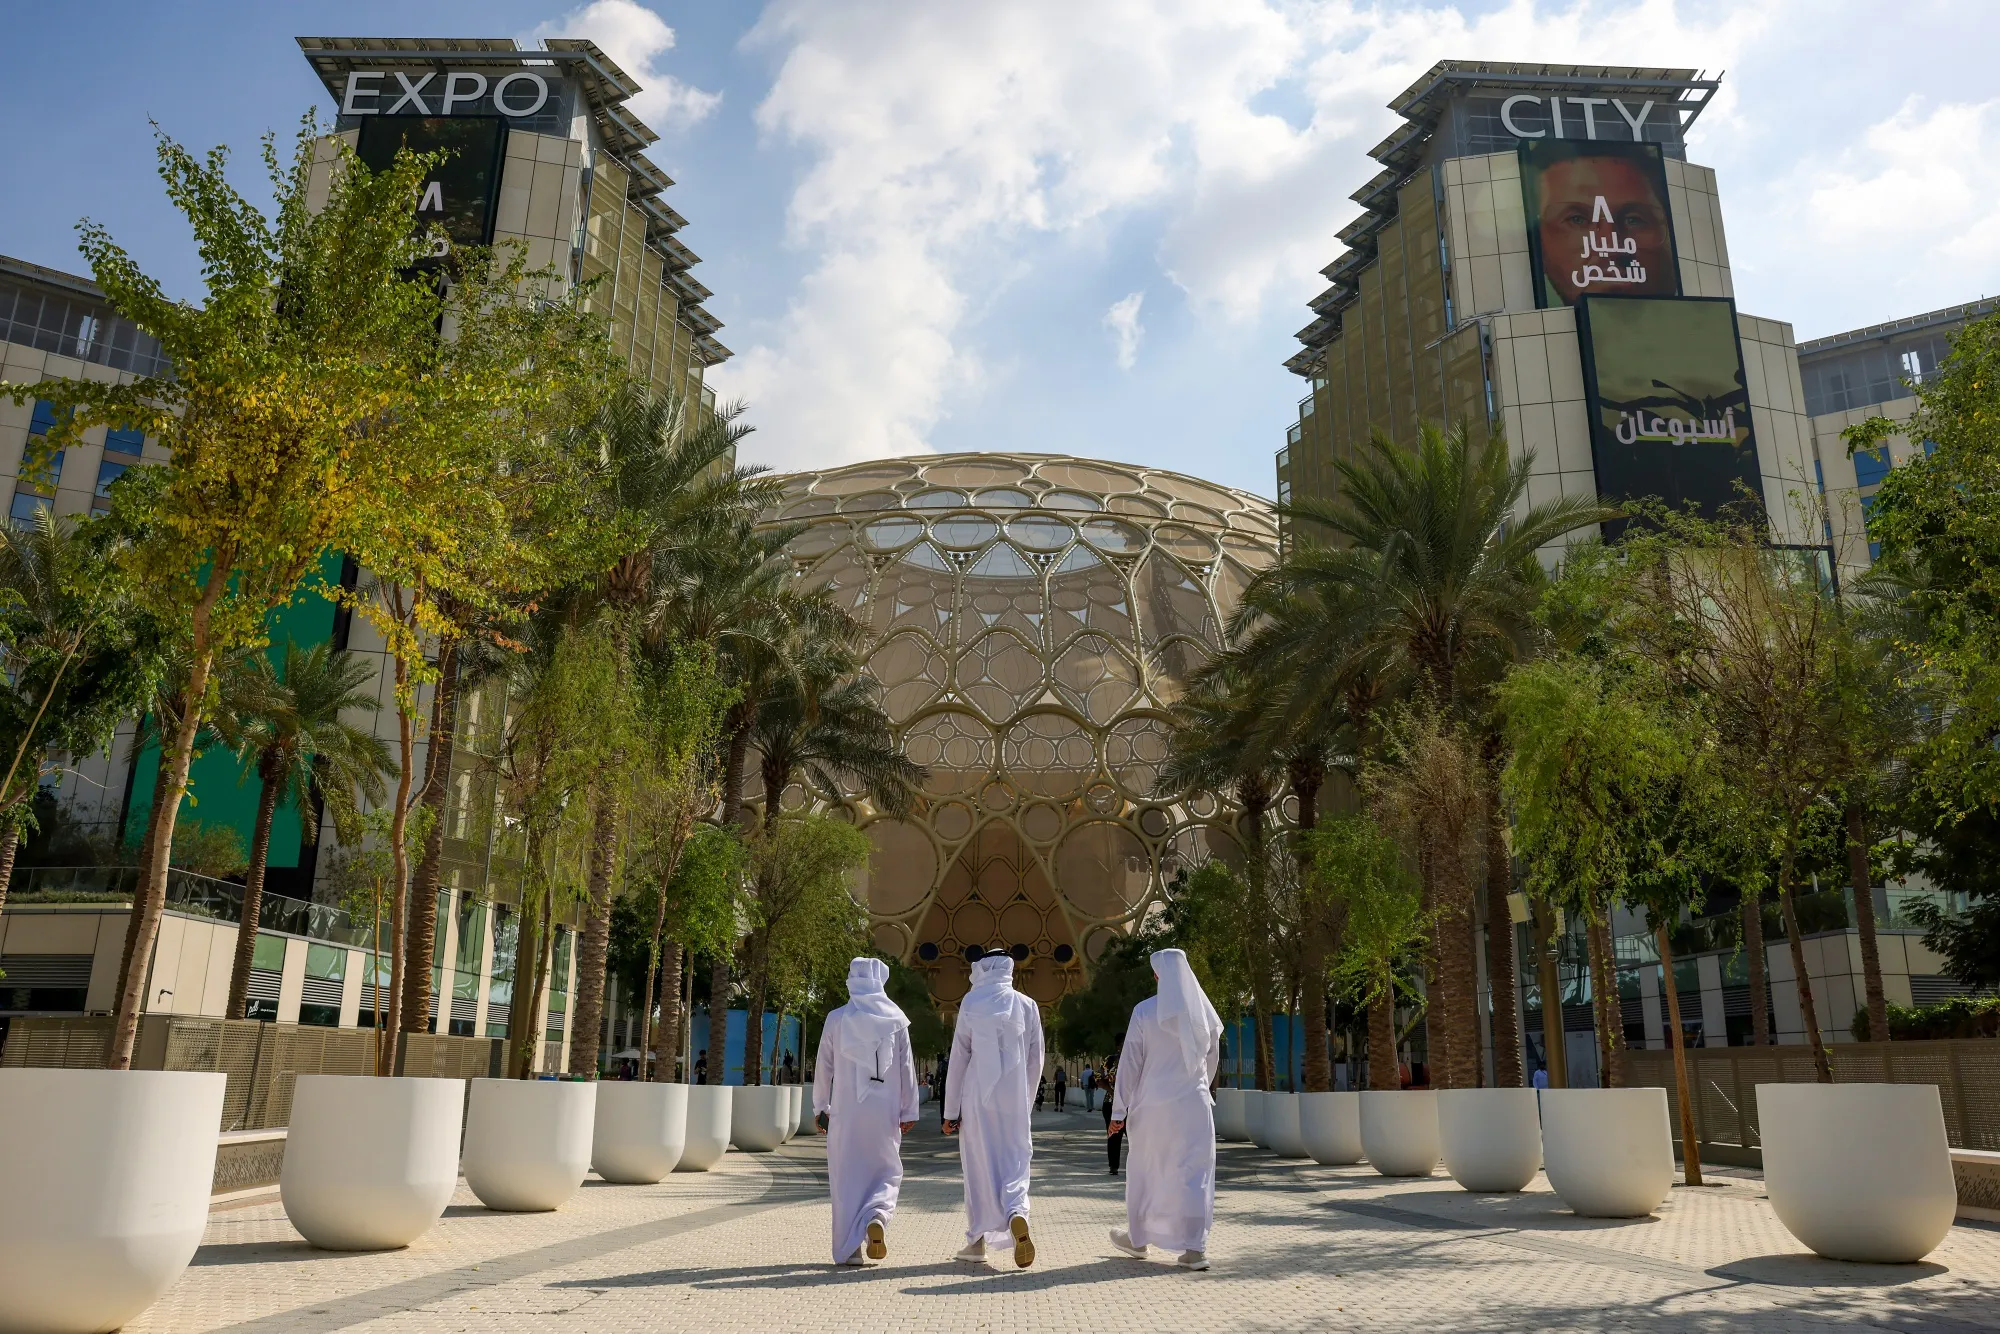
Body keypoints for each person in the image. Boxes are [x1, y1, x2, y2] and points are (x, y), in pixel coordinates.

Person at [1107, 948, 1222, 1271]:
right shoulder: (1204, 1013)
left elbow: (1129, 1064)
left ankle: (1139, 1238)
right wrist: (1196, 1087)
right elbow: (1211, 1060)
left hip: (1152, 1108)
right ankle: (1194, 1249)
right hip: (1195, 1106)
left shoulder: (1144, 1011)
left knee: (1146, 1170)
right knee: (1194, 1174)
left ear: (1157, 976)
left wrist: (1118, 1112)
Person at [814, 958, 920, 1267]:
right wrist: (908, 1109)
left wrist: (820, 1106)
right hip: (884, 1113)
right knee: (886, 1170)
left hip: (846, 1113)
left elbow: (824, 1066)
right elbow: (906, 1068)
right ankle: (876, 1216)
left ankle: (850, 1249)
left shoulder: (836, 1018)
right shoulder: (897, 1019)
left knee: (847, 1176)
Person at [942, 954, 1044, 1268]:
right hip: (1014, 1097)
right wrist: (1024, 1104)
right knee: (1015, 1161)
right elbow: (1036, 1060)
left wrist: (950, 1111)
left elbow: (958, 1058)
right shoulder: (1027, 1005)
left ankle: (977, 1242)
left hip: (977, 1099)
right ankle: (1016, 1212)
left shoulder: (971, 1003)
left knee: (979, 1166)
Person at [1101, 1058, 1122, 1175]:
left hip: (1132, 1104)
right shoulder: (1110, 1061)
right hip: (1111, 1103)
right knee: (1114, 1135)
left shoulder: (1137, 1056)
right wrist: (1112, 1091)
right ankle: (1114, 1166)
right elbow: (1098, 1078)